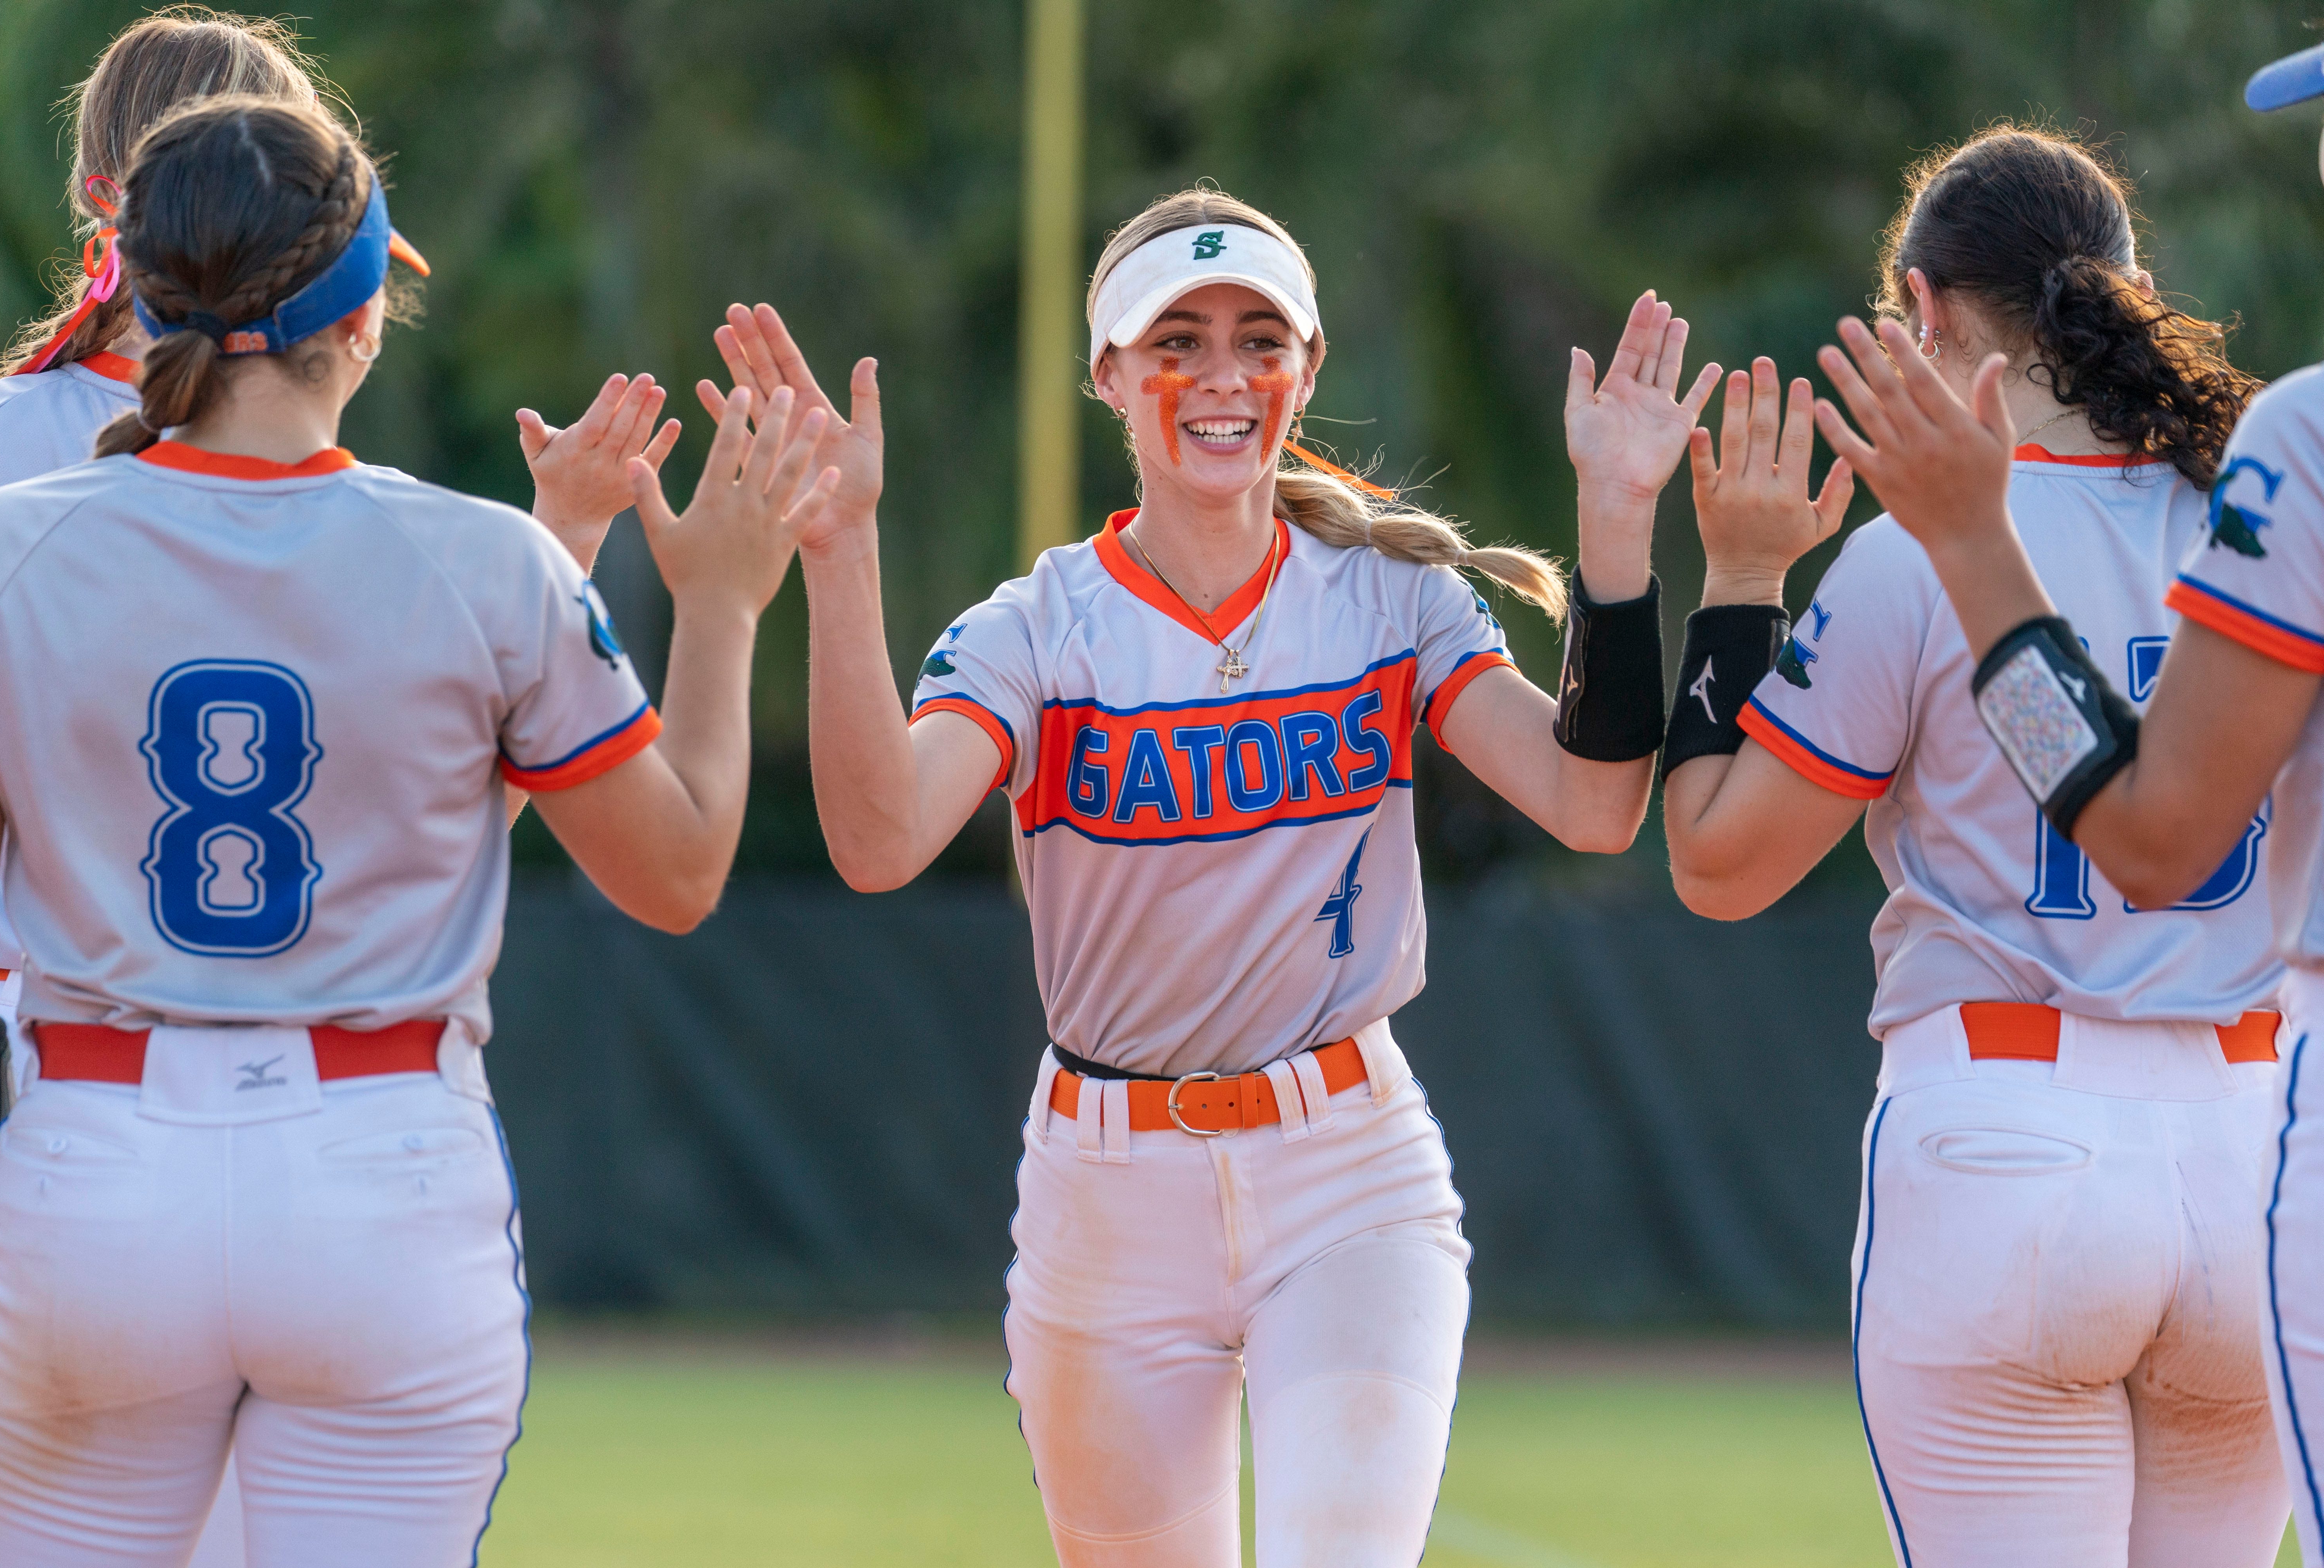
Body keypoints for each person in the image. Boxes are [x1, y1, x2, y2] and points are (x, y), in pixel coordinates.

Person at [718, 187, 1716, 1564]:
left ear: (1305, 372)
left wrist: (1616, 523)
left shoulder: (1388, 599)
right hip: (1108, 1191)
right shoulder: (1042, 629)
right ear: (1111, 377)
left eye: (1260, 337)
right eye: (1175, 339)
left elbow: (1597, 807)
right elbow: (880, 841)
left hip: (1349, 1169)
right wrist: (839, 555)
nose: (1221, 374)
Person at [0, 94, 835, 1564]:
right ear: (365, 317)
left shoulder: (1, 548)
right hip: (381, 1173)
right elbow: (682, 874)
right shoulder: (485, 561)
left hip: (97, 1163)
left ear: (140, 292)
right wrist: (726, 604)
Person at [1661, 127, 2289, 1566]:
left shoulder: (1923, 555)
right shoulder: (2265, 530)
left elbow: (1719, 863)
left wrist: (1748, 576)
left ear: (1927, 314)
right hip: (2253, 1147)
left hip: (2013, 1136)